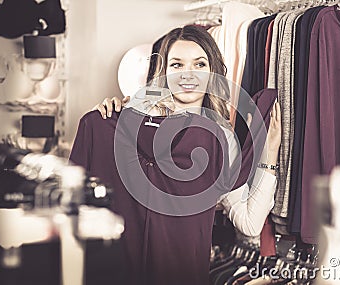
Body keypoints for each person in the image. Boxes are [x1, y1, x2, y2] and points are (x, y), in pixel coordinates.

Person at [72, 25, 281, 285]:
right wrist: (105, 118)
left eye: (199, 64)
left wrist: (269, 157)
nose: (188, 75)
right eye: (177, 65)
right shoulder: (117, 119)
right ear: (165, 73)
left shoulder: (222, 139)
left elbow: (249, 223)